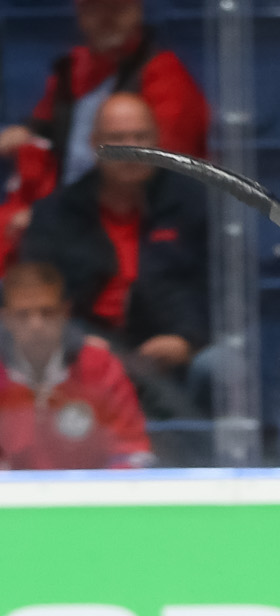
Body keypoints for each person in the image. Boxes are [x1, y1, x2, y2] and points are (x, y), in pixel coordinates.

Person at [17, 93, 207, 418]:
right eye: (117, 139)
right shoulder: (56, 214)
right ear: (94, 145)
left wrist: (187, 340)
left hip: (173, 351)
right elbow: (32, 296)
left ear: (157, 140)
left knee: (220, 366)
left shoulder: (195, 206)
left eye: (140, 138)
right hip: (83, 353)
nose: (131, 150)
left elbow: (225, 290)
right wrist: (76, 340)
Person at [0, 0, 208, 264]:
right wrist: (25, 131)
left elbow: (153, 176)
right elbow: (44, 121)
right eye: (94, 9)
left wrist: (48, 218)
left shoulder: (166, 78)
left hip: (131, 225)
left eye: (117, 9)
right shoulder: (73, 67)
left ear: (138, 12)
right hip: (70, 210)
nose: (105, 19)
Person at [0, 259, 149, 468]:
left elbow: (130, 451)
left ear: (65, 312)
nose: (36, 325)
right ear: (6, 318)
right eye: (23, 315)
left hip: (91, 497)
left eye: (47, 312)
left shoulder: (101, 367)